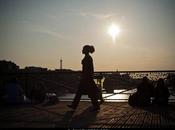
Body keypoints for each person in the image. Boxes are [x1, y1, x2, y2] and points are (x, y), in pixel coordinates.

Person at [67, 45, 100, 111]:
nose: (82, 50)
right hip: (87, 78)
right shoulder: (88, 57)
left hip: (86, 78)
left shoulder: (88, 58)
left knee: (89, 93)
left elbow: (88, 69)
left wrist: (85, 76)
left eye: (83, 49)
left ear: (86, 50)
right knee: (86, 92)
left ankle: (96, 106)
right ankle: (74, 105)